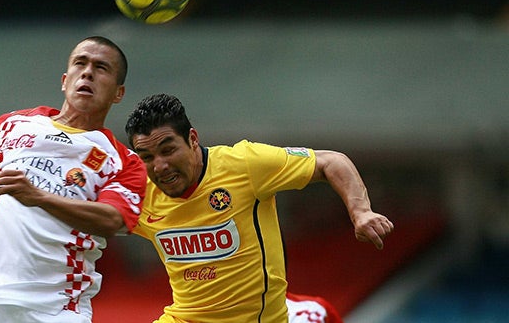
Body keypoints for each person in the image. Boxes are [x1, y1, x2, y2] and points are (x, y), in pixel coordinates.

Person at [0, 36, 146, 323]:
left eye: (101, 68)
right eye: (80, 63)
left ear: (118, 93)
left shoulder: (125, 161)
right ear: (64, 79)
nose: (87, 73)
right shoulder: (11, 125)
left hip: (60, 305)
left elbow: (111, 220)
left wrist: (39, 197)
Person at [123, 93, 394, 323]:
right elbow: (92, 214)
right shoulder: (140, 192)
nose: (159, 166)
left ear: (193, 139)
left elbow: (331, 161)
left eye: (168, 150)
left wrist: (361, 212)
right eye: (147, 157)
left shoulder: (244, 164)